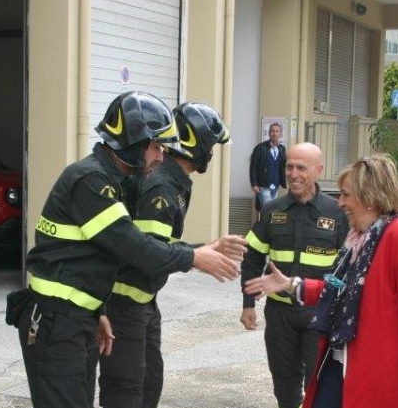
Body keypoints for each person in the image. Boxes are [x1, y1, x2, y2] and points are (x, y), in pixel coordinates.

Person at [18, 91, 247, 408]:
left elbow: (95, 257)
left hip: (75, 316)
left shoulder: (109, 181)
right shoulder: (91, 181)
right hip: (57, 320)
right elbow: (132, 246)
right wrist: (195, 257)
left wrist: (96, 310)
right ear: (133, 142)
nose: (161, 156)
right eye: (155, 146)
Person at [244, 154, 398, 408]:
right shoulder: (358, 239)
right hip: (340, 359)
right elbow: (339, 293)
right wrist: (291, 285)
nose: (340, 203)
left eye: (346, 195)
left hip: (377, 370)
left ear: (370, 198)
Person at [98, 102, 234, 408]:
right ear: (196, 142)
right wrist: (197, 257)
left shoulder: (173, 181)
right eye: (210, 144)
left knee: (148, 383)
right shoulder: (161, 186)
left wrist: (202, 248)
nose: (212, 152)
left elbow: (158, 244)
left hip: (142, 301)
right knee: (127, 389)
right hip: (125, 305)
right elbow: (147, 253)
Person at [239, 142, 348, 408]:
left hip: (319, 316)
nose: (293, 174)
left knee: (318, 387)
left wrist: (335, 301)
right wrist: (248, 304)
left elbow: (347, 268)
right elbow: (253, 258)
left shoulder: (337, 212)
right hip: (280, 316)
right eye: (289, 167)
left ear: (318, 170)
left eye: (301, 167)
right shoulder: (272, 210)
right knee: (284, 388)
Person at [250, 122, 286, 211]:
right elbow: (253, 167)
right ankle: (267, 225)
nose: (275, 133)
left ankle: (264, 225)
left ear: (280, 134)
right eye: (272, 131)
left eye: (277, 131)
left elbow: (283, 166)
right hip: (263, 186)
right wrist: (254, 184)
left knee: (271, 211)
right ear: (269, 133)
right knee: (269, 210)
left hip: (276, 186)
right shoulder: (260, 148)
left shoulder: (282, 148)